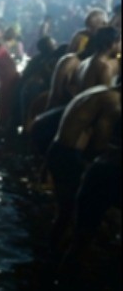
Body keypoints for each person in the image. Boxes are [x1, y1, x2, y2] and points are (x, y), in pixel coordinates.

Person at [45, 81, 121, 251]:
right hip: (70, 156)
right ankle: (57, 260)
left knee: (64, 213)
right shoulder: (114, 102)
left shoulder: (99, 89)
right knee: (70, 215)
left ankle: (49, 254)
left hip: (57, 148)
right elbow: (98, 145)